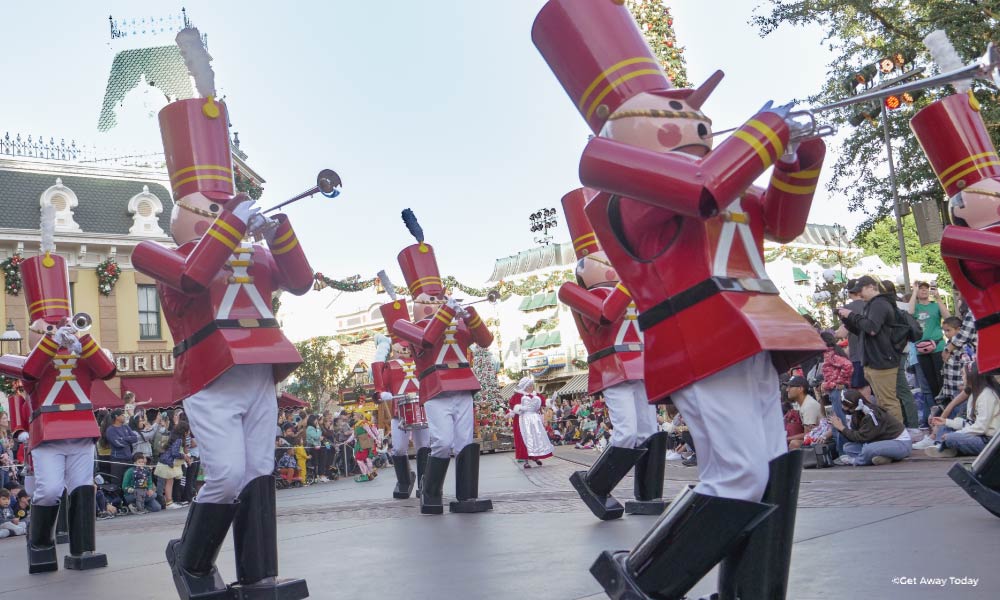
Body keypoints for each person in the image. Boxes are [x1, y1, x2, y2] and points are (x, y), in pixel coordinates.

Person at [534, 3, 828, 597]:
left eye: (693, 109)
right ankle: (645, 581)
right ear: (617, 126)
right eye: (671, 109)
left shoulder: (724, 168)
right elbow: (701, 191)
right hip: (698, 336)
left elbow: (783, 222)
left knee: (771, 463)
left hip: (754, 326)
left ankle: (753, 591)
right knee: (740, 470)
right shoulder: (615, 170)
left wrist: (796, 156)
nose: (693, 119)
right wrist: (764, 134)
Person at [131, 39, 314, 599]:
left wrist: (277, 230)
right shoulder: (155, 254)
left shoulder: (250, 253)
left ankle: (258, 573)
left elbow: (301, 281)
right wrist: (233, 224)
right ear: (179, 215)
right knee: (228, 475)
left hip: (259, 371)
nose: (214, 215)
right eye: (205, 209)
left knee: (259, 472)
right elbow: (193, 277)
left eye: (222, 205)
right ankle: (189, 559)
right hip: (208, 377)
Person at [0, 214, 116, 574]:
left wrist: (80, 337)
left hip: (81, 429)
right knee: (49, 491)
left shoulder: (83, 352)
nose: (56, 330)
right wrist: (50, 339)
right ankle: (39, 544)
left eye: (59, 324)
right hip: (47, 434)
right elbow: (30, 371)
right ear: (33, 330)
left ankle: (84, 550)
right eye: (46, 327)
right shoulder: (21, 358)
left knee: (82, 488)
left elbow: (109, 370)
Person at [557, 188, 665, 518]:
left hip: (641, 364)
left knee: (651, 431)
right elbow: (605, 313)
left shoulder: (628, 288)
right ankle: (595, 483)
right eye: (607, 260)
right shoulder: (572, 290)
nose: (613, 266)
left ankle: (647, 495)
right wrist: (631, 276)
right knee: (628, 431)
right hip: (614, 365)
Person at [389, 210, 495, 515]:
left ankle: (466, 497)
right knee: (442, 442)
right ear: (415, 303)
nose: (434, 304)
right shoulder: (404, 325)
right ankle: (431, 493)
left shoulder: (454, 323)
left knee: (464, 441)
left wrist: (470, 315)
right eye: (428, 299)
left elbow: (485, 340)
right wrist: (447, 313)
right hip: (435, 388)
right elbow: (426, 340)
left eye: (438, 298)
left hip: (463, 385)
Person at [372, 298, 432, 500]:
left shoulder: (421, 360)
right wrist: (382, 393)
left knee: (424, 445)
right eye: (401, 347)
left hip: (421, 408)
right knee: (398, 448)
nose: (405, 350)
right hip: (399, 411)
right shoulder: (389, 366)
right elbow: (379, 383)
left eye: (407, 347)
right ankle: (405, 480)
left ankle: (424, 481)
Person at [838, 276, 905, 424]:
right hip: (873, 361)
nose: (859, 295)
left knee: (888, 401)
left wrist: (851, 315)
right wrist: (848, 322)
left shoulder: (879, 304)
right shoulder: (871, 305)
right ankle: (892, 433)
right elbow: (864, 331)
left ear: (871, 287)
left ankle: (899, 436)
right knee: (881, 402)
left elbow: (872, 329)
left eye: (860, 290)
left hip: (882, 360)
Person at [925, 363, 1000, 458]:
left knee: (951, 437)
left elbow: (981, 428)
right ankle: (942, 446)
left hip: (988, 441)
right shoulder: (974, 394)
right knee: (944, 427)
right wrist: (946, 421)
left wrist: (956, 434)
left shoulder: (987, 395)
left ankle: (944, 446)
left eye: (963, 374)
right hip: (977, 435)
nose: (962, 378)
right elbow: (969, 423)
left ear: (972, 376)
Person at [830, 390, 911, 466]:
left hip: (900, 443)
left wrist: (842, 428)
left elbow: (861, 437)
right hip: (882, 443)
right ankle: (886, 457)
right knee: (848, 448)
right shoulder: (856, 414)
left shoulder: (871, 414)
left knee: (867, 449)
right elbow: (854, 437)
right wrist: (840, 427)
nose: (843, 407)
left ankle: (857, 461)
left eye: (845, 405)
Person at [907, 281, 949, 399]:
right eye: (921, 288)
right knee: (930, 381)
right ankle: (937, 404)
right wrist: (914, 293)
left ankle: (945, 402)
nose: (924, 290)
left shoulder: (935, 305)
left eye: (926, 288)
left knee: (942, 377)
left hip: (937, 346)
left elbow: (947, 317)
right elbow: (909, 313)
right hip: (921, 349)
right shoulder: (916, 307)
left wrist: (938, 298)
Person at [508, 377, 554, 467]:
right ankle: (526, 461)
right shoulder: (518, 395)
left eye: (532, 386)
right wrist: (520, 408)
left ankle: (536, 457)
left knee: (536, 438)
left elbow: (544, 403)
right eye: (529, 386)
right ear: (525, 386)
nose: (531, 387)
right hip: (523, 420)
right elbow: (512, 405)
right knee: (525, 439)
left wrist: (550, 401)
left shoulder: (536, 395)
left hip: (535, 420)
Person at [155, 422, 189, 510]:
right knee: (169, 483)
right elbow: (175, 453)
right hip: (168, 462)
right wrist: (184, 456)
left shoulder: (174, 437)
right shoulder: (179, 440)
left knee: (169, 482)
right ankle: (169, 503)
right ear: (185, 432)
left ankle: (169, 502)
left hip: (165, 461)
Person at [105, 409, 138, 492]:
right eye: (122, 415)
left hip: (129, 459)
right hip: (117, 460)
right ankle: (118, 502)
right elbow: (118, 444)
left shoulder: (126, 426)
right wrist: (128, 440)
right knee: (117, 483)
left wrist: (123, 439)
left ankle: (128, 502)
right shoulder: (110, 430)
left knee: (130, 481)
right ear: (117, 417)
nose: (124, 416)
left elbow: (135, 438)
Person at [785, 376, 822, 450]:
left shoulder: (809, 405)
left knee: (794, 443)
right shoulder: (800, 403)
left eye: (790, 387)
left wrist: (786, 439)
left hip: (822, 439)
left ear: (800, 389)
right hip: (814, 436)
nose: (787, 390)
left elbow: (807, 434)